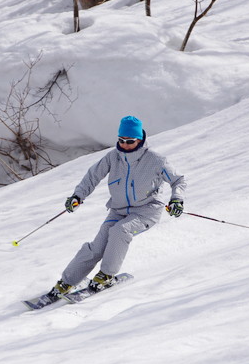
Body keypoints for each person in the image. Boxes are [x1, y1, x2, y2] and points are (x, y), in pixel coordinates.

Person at [46, 116, 186, 299]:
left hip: (147, 210)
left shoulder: (156, 160)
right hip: (118, 210)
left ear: (140, 140)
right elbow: (92, 176)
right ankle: (66, 282)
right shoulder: (113, 157)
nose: (125, 144)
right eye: (121, 140)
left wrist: (177, 199)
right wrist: (78, 196)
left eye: (130, 141)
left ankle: (106, 276)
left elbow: (178, 180)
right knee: (97, 246)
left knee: (120, 231)